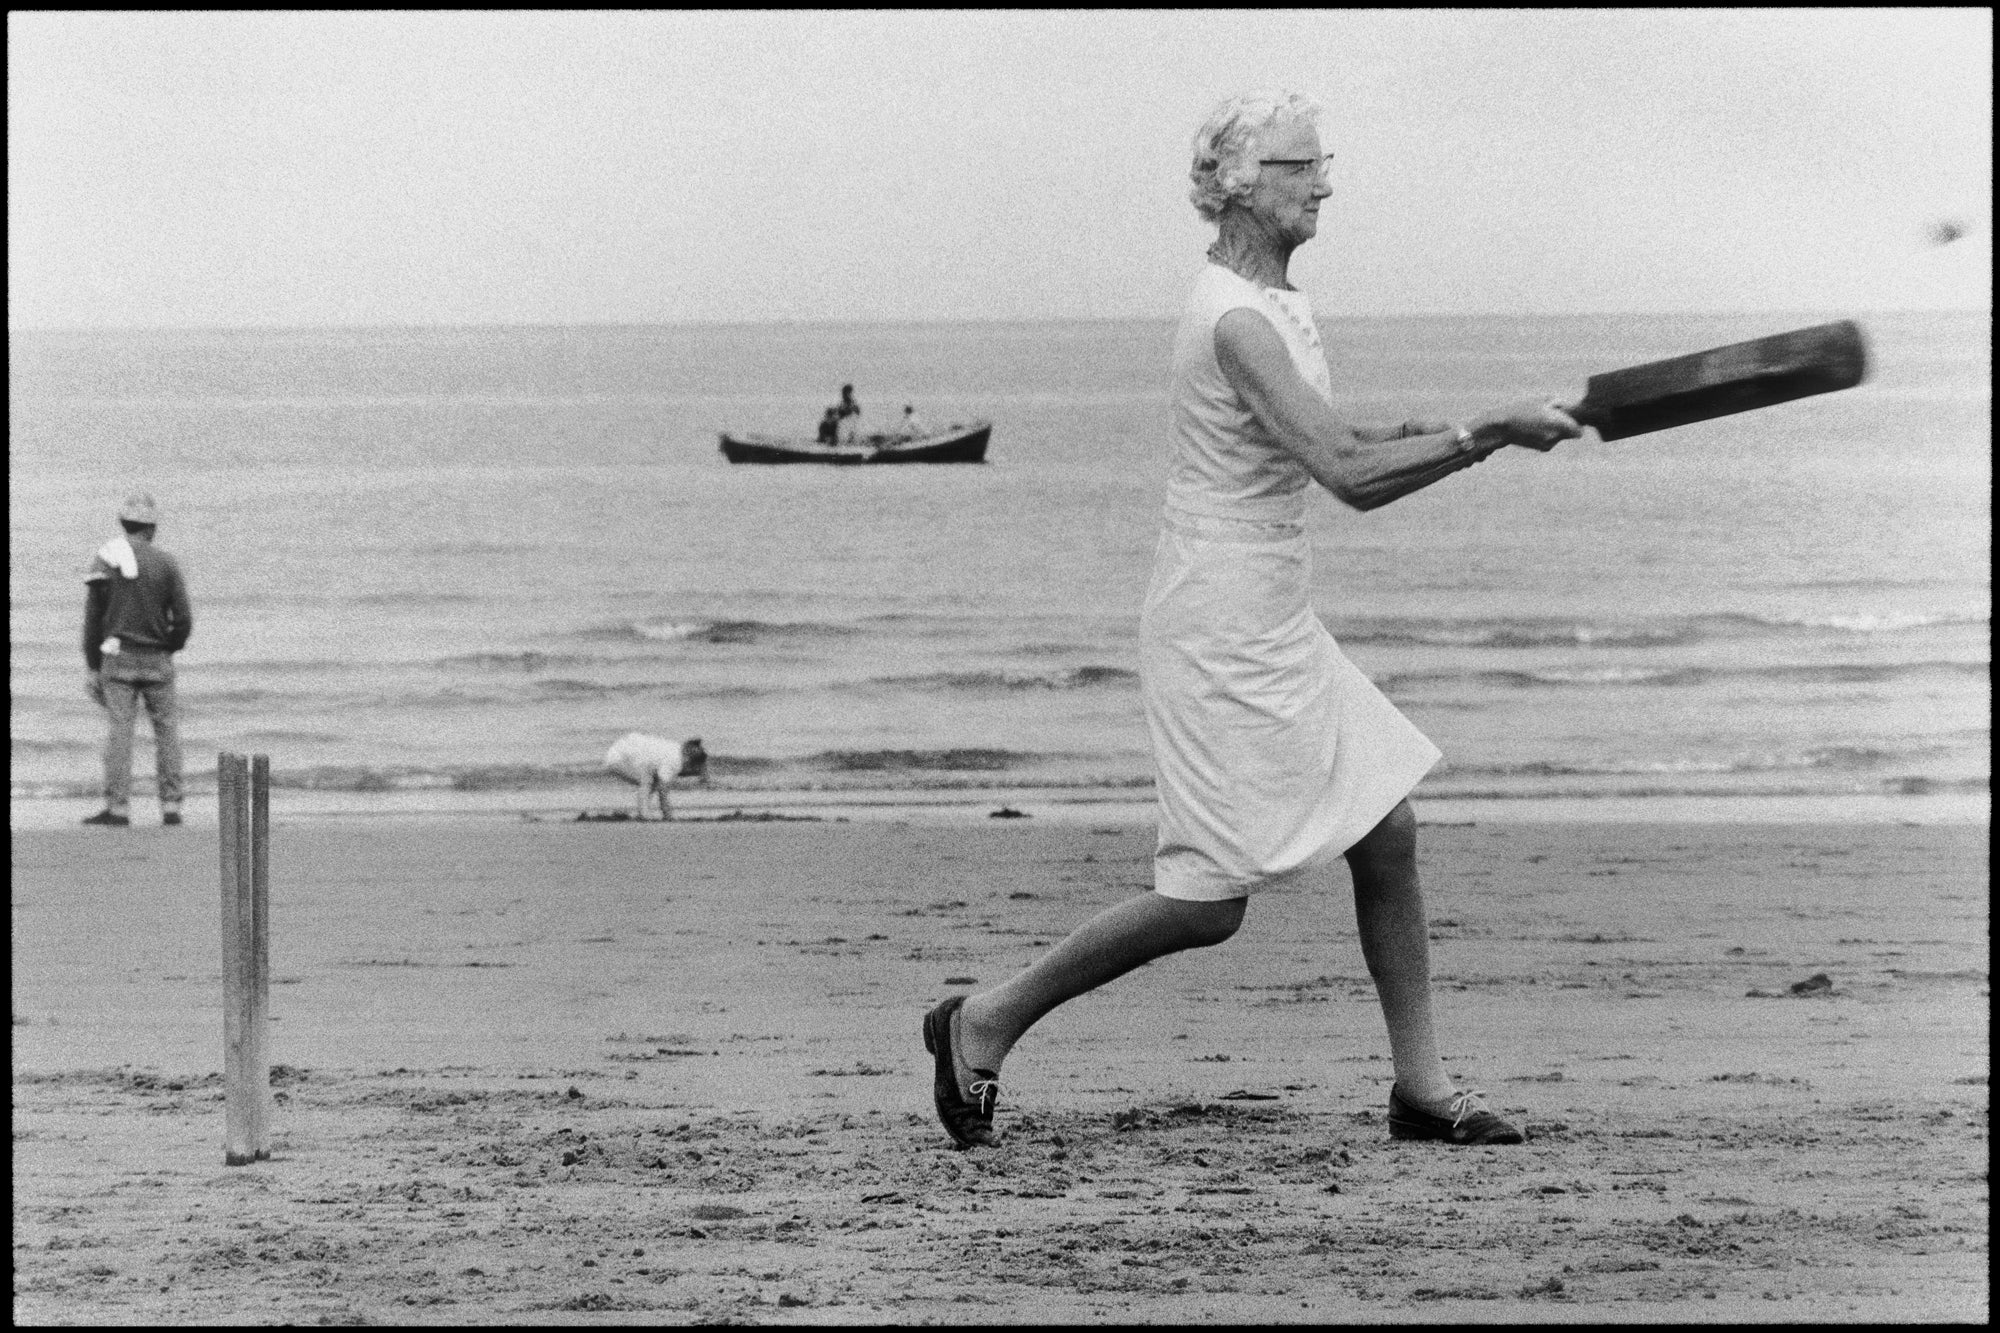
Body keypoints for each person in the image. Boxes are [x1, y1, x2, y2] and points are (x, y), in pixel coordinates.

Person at [922, 91, 1581, 1150]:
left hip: (1270, 610)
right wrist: (1482, 432)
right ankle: (983, 1017)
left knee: (1388, 830)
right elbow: (1348, 475)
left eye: (1324, 163)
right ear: (1233, 181)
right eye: (1297, 165)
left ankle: (1418, 1086)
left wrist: (1483, 428)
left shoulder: (1275, 302)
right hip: (1217, 628)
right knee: (1205, 904)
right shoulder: (1232, 317)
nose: (1322, 182)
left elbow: (1335, 435)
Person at [81, 491, 194, 827]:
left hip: (118, 661)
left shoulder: (104, 562)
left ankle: (118, 808)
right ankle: (171, 806)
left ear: (123, 523)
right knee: (167, 732)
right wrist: (169, 646)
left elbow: (93, 621)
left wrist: (92, 664)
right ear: (152, 528)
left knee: (120, 734)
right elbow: (184, 618)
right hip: (157, 659)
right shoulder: (167, 563)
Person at [603, 732, 708, 820]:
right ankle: (644, 813)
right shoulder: (675, 761)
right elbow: (663, 792)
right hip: (619, 758)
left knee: (651, 780)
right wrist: (668, 815)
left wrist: (703, 775)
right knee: (647, 781)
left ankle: (644, 811)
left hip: (626, 750)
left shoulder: (676, 750)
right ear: (688, 760)